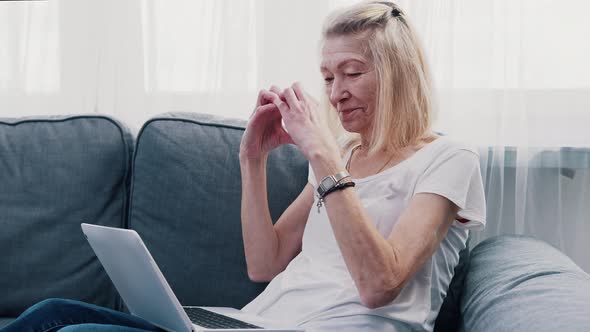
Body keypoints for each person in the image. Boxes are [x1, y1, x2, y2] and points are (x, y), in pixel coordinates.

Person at [1, 1, 485, 332]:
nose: (335, 93)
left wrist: (323, 155)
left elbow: (380, 285)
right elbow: (264, 263)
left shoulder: (447, 159)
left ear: (398, 74)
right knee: (52, 311)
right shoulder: (347, 157)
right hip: (259, 322)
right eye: (328, 76)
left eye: (353, 73)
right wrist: (251, 161)